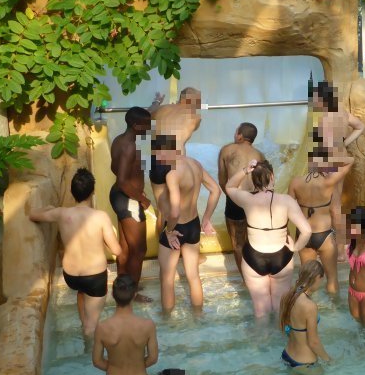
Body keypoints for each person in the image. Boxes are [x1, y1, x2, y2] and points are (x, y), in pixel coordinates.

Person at [28, 168, 119, 340]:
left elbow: (33, 215)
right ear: (92, 192)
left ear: (72, 192)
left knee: (81, 293)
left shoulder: (61, 213)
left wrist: (49, 208)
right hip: (94, 278)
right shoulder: (101, 217)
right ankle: (89, 346)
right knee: (92, 326)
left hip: (71, 276)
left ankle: (84, 323)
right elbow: (116, 251)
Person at [225, 159, 311, 318]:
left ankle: (262, 333)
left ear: (253, 179)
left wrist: (245, 170)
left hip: (253, 257)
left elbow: (229, 187)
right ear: (272, 176)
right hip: (282, 257)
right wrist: (296, 247)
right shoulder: (286, 201)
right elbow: (307, 231)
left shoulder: (246, 199)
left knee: (261, 312)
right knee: (281, 309)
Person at [150, 138, 221, 313]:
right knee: (193, 275)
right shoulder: (195, 164)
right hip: (193, 225)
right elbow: (216, 190)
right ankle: (198, 315)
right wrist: (206, 219)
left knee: (167, 279)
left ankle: (168, 321)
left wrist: (169, 231)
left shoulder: (172, 174)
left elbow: (174, 212)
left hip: (176, 228)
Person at [93, 274, 159, 375]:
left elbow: (97, 361)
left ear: (112, 295)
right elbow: (153, 358)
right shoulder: (147, 325)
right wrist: (136, 365)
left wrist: (116, 367)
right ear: (135, 295)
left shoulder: (102, 327)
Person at [309, 81, 364, 264]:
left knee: (330, 207)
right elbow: (360, 126)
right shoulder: (341, 111)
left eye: (315, 98)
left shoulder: (325, 118)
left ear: (322, 98)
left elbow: (326, 145)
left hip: (329, 161)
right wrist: (345, 143)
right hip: (341, 158)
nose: (314, 101)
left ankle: (334, 249)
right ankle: (339, 249)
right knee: (336, 206)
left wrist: (318, 165)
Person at [287, 146, 354, 296]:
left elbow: (288, 210)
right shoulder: (329, 182)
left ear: (310, 161)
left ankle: (303, 305)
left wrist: (287, 234)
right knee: (332, 278)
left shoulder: (295, 182)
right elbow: (336, 213)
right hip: (324, 235)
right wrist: (341, 244)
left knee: (306, 280)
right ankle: (334, 308)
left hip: (304, 235)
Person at [109, 106, 153, 300]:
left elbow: (114, 168)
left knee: (125, 247)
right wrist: (141, 198)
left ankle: (123, 285)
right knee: (139, 249)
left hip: (120, 196)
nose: (149, 128)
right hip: (129, 200)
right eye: (146, 125)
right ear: (136, 126)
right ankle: (131, 293)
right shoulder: (130, 146)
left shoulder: (119, 140)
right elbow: (122, 180)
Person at [217, 123, 265, 274]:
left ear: (239, 136)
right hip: (256, 200)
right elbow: (265, 183)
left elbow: (222, 180)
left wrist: (231, 196)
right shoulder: (260, 155)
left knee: (238, 243)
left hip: (236, 197)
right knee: (256, 239)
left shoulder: (227, 150)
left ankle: (246, 279)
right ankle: (259, 274)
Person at [278, 259, 332, 373]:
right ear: (318, 278)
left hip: (287, 355)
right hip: (305, 362)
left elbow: (285, 328)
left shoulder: (286, 296)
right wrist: (328, 359)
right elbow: (313, 342)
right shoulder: (310, 306)